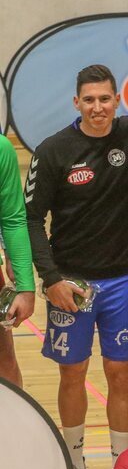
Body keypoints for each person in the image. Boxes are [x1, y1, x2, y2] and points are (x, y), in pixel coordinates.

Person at [25, 65, 128, 469]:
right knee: (73, 373)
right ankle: (76, 466)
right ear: (76, 103)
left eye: (105, 99)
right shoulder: (53, 150)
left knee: (120, 373)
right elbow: (30, 220)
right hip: (71, 283)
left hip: (123, 279)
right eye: (89, 100)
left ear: (117, 100)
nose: (98, 107)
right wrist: (52, 280)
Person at [0, 132, 35, 386]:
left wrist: (25, 286)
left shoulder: (1, 149)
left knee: (4, 361)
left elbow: (12, 219)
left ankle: (13, 426)